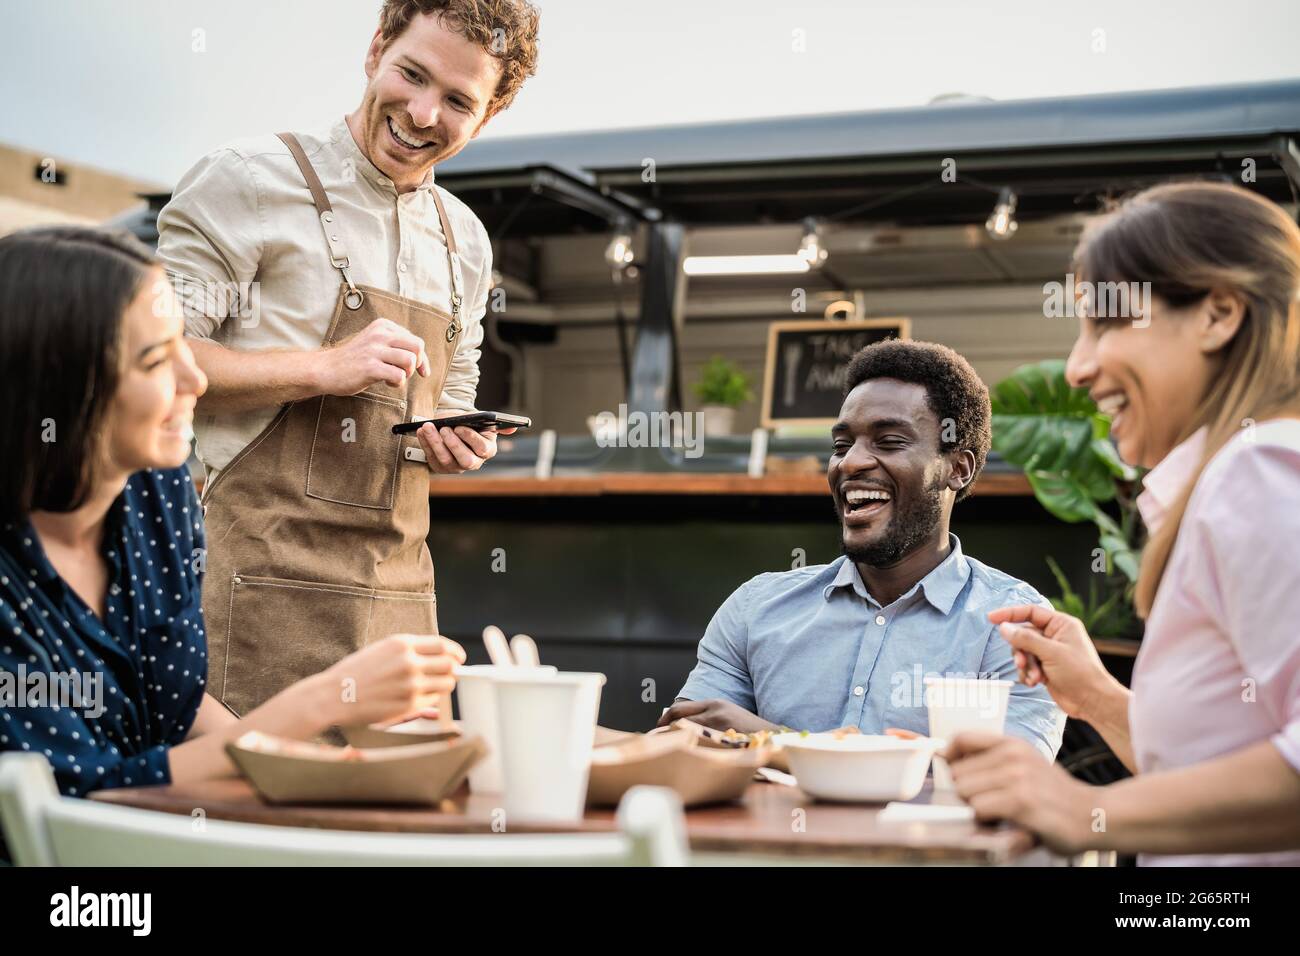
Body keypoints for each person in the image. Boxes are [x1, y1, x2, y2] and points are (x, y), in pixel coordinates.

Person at [155, 0, 540, 715]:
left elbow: (450, 394)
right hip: (253, 593)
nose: (424, 114)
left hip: (398, 605)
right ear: (376, 49)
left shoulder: (467, 241)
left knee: (400, 818)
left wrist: (455, 437)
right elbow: (154, 363)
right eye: (412, 75)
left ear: (485, 118)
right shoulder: (247, 179)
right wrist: (320, 369)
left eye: (458, 100)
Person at [0, 226, 464, 805]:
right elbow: (75, 796)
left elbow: (176, 701)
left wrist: (330, 767)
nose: (194, 380)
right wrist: (324, 701)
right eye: (153, 362)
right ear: (52, 390)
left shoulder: (155, 491)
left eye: (181, 346)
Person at [945, 181, 1300, 864]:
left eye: (1106, 322)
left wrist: (1083, 808)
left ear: (1217, 313)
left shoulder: (1260, 474)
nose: (1077, 367)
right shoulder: (1238, 477)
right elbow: (1217, 775)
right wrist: (1100, 699)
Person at [660, 340, 1066, 759]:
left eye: (888, 441)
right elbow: (686, 747)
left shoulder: (1012, 629)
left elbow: (1007, 784)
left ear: (957, 469)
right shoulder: (756, 609)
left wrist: (779, 743)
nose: (850, 463)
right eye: (840, 446)